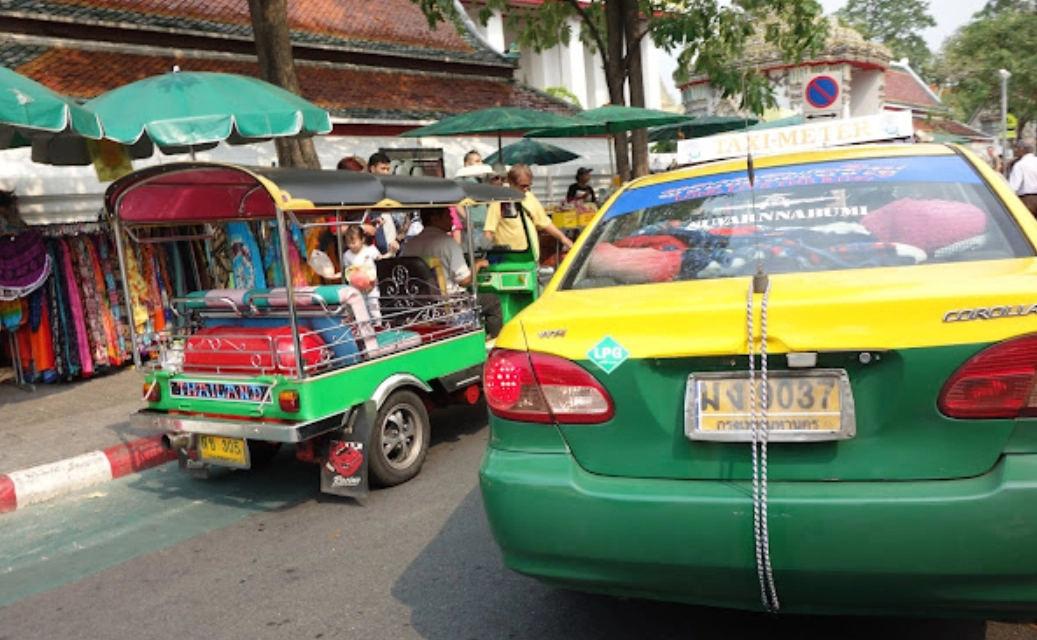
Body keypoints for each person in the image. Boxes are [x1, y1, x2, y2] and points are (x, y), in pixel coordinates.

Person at [400, 207, 503, 339]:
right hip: (449, 304)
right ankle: (493, 345)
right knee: (493, 301)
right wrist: (477, 265)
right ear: (434, 218)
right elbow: (465, 280)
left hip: (418, 306)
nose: (452, 219)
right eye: (448, 215)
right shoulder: (447, 243)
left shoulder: (410, 244)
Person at [484, 164, 574, 258]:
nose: (526, 189)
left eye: (529, 186)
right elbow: (488, 231)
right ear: (511, 182)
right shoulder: (499, 201)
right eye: (523, 186)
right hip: (508, 258)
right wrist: (488, 255)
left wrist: (564, 239)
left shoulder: (530, 197)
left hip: (531, 257)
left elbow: (544, 222)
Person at [1009, 140, 1037, 216]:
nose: (1015, 151)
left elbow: (1013, 187)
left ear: (1021, 149)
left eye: (1016, 148)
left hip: (1027, 200)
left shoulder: (1020, 165)